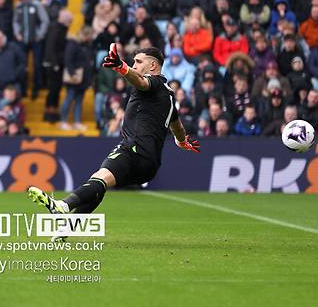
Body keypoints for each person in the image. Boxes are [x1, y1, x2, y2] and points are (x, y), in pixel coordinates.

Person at [28, 45, 199, 230]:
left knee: (99, 179)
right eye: (133, 62)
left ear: (153, 66)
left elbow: (142, 83)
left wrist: (121, 66)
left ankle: (62, 206)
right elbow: (178, 126)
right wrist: (182, 142)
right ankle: (68, 227)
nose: (134, 65)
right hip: (151, 165)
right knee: (100, 182)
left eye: (138, 62)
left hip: (134, 150)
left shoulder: (153, 83)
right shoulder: (170, 97)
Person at [59, 27, 94, 131]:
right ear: (85, 35)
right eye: (88, 36)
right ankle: (63, 121)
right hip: (74, 77)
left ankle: (77, 122)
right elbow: (68, 60)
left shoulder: (87, 45)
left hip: (84, 78)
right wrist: (72, 73)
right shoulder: (73, 43)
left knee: (79, 101)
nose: (89, 38)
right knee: (68, 99)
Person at [43, 10, 71, 122]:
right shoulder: (55, 29)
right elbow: (51, 47)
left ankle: (54, 109)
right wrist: (54, 63)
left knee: (57, 88)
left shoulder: (61, 29)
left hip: (59, 63)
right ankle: (49, 110)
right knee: (53, 88)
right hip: (54, 64)